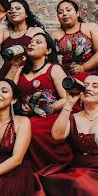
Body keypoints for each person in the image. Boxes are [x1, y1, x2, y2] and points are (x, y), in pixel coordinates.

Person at [6, 32, 72, 171]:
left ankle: (42, 168)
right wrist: (14, 66)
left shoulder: (54, 69)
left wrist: (41, 109)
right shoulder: (22, 70)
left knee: (31, 129)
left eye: (38, 42)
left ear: (48, 50)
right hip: (24, 117)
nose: (32, 44)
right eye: (31, 42)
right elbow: (6, 89)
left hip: (50, 115)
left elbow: (66, 99)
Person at [0, 0, 46, 87]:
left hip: (28, 72)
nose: (13, 11)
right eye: (10, 10)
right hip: (5, 73)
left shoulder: (35, 31)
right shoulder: (5, 32)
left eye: (18, 8)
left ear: (26, 14)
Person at [52, 0, 98, 81]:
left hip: (92, 75)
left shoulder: (91, 27)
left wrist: (83, 67)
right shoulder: (54, 35)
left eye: (68, 10)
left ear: (77, 13)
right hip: (66, 78)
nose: (65, 14)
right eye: (60, 12)